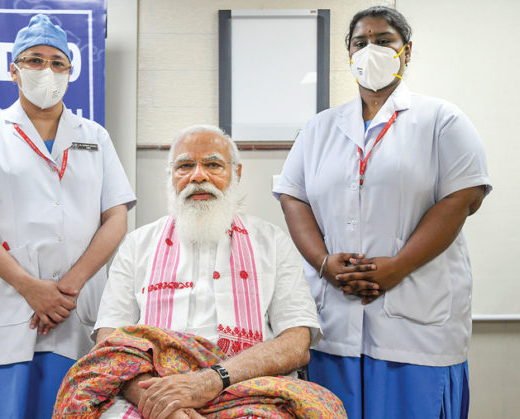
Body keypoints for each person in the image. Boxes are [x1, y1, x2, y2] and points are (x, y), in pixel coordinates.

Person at [273, 6, 491, 419]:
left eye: (384, 40)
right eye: (360, 42)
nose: (371, 49)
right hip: (333, 324)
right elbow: (293, 197)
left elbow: (462, 198)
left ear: (406, 52)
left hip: (416, 327)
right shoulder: (319, 128)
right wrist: (322, 263)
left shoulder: (442, 120)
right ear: (349, 54)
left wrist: (398, 266)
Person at [0, 14, 136, 418]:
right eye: (33, 60)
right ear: (13, 71)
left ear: (70, 72)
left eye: (57, 62)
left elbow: (116, 216)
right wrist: (30, 287)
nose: (46, 70)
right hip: (12, 310)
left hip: (75, 311)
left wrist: (67, 287)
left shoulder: (94, 137)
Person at [83, 125, 337, 419]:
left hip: (249, 391)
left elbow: (296, 343)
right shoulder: (138, 245)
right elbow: (109, 342)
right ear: (171, 176)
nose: (198, 176)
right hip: (150, 394)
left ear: (236, 173)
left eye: (213, 165)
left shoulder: (273, 242)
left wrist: (212, 380)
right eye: (185, 166)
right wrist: (161, 405)